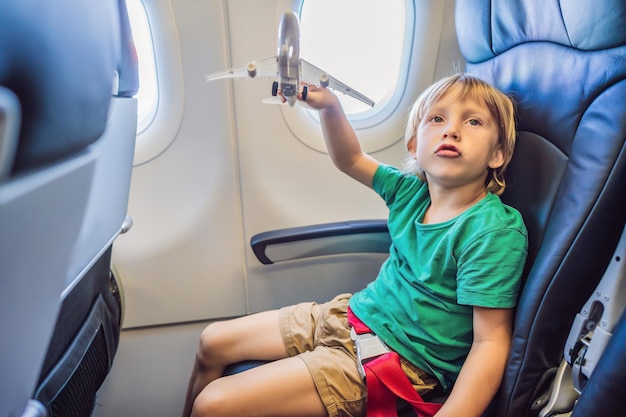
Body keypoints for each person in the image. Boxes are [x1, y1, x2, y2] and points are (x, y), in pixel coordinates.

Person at [181, 73, 528, 417]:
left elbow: (491, 342)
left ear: (497, 154)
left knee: (214, 405)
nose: (451, 130)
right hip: (351, 315)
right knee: (212, 341)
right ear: (414, 146)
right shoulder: (410, 192)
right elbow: (351, 159)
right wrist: (330, 107)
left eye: (473, 121)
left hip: (398, 360)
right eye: (437, 118)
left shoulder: (492, 231)